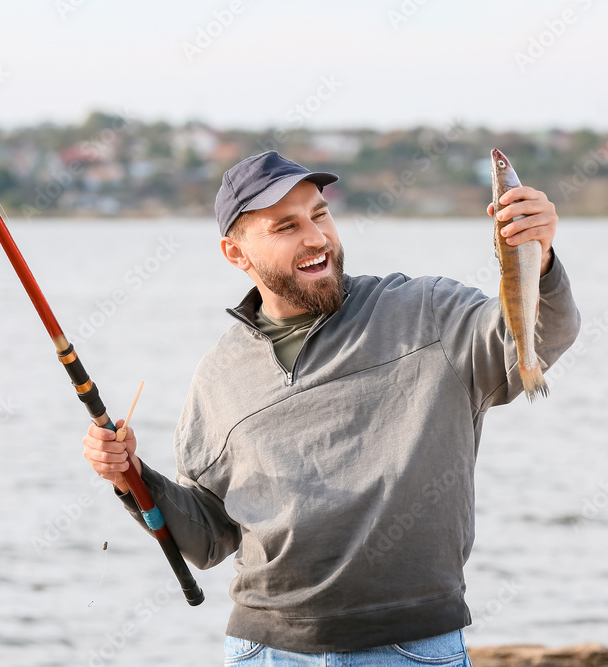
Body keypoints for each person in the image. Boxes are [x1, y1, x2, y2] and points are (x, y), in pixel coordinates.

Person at [83, 151, 581, 666]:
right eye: (286, 227)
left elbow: (536, 340)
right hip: (264, 651)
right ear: (236, 253)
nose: (316, 237)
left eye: (320, 214)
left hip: (410, 648)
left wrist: (538, 261)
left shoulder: (428, 314)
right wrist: (131, 476)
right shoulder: (219, 375)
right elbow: (209, 537)